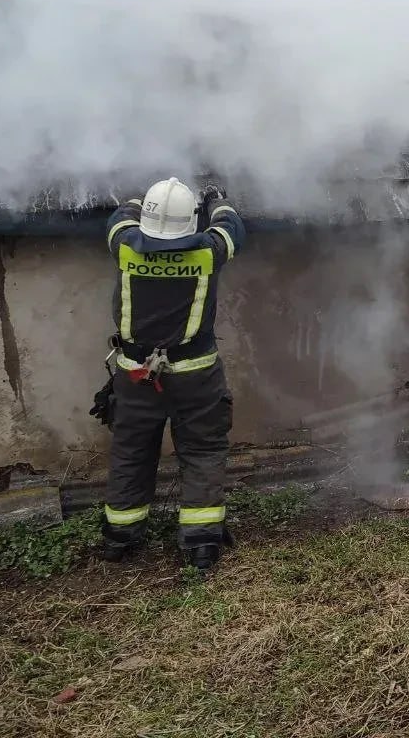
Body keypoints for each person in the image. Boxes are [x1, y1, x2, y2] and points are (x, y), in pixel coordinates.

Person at [98, 176, 246, 571]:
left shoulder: (124, 245)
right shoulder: (208, 251)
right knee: (202, 451)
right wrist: (216, 198)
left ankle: (120, 537)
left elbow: (119, 217)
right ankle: (201, 542)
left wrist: (137, 193)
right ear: (189, 222)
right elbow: (232, 227)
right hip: (196, 374)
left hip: (136, 375)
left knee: (132, 451)